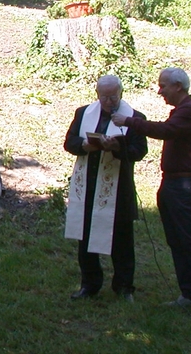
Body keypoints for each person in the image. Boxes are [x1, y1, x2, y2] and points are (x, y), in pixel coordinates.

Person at [111, 67, 191, 321]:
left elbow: (165, 131)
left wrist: (129, 121)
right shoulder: (182, 112)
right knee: (177, 240)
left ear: (179, 87)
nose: (159, 91)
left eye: (163, 86)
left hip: (187, 186)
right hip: (174, 184)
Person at [63, 75, 148, 302]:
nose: (110, 101)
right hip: (88, 184)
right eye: (105, 97)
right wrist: (84, 145)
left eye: (113, 96)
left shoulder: (135, 118)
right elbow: (69, 142)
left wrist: (117, 148)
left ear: (121, 93)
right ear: (97, 94)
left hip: (118, 187)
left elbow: (139, 152)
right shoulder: (83, 114)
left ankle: (124, 287)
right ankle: (89, 284)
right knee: (85, 237)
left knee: (122, 240)